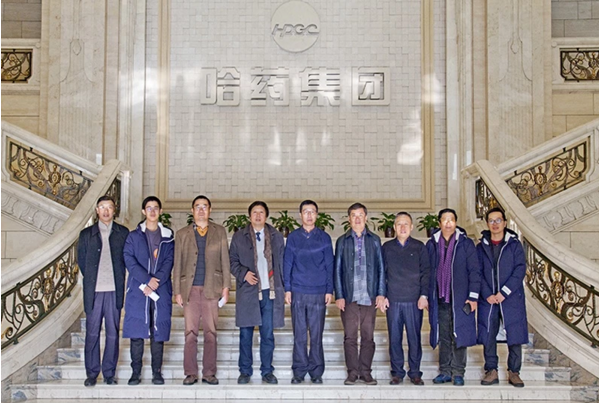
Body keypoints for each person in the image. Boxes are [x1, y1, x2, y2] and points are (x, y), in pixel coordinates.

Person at [173, 195, 231, 386]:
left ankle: (209, 373)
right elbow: (177, 264)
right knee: (190, 333)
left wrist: (226, 287)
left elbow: (225, 261)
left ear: (210, 210)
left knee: (210, 332)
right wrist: (177, 291)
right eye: (197, 207)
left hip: (212, 289)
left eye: (204, 206)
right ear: (192, 211)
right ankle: (190, 373)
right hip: (189, 289)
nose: (201, 210)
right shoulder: (182, 234)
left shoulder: (219, 231)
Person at [230, 201, 285, 385]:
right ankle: (245, 371)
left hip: (270, 292)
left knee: (267, 334)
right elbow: (232, 261)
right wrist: (243, 273)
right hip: (248, 292)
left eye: (261, 212)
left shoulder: (276, 236)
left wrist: (285, 288)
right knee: (246, 334)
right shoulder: (239, 236)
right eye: (255, 212)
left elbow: (282, 262)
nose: (258, 215)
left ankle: (267, 371)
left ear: (266, 215)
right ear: (249, 216)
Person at [77, 196, 129, 387]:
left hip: (114, 290)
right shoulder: (86, 234)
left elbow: (127, 259)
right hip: (94, 291)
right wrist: (93, 279)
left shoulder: (122, 233)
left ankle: (109, 373)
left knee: (113, 333)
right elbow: (82, 261)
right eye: (102, 207)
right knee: (92, 333)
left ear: (114, 210)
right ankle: (91, 373)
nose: (106, 211)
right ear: (97, 210)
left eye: (109, 207)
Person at [122, 196, 174, 386]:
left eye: (155, 208)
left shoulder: (168, 236)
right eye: (149, 208)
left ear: (160, 211)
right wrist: (146, 280)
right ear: (144, 211)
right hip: (139, 290)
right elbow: (129, 259)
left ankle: (156, 372)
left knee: (157, 331)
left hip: (160, 289)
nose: (152, 211)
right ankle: (135, 372)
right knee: (137, 332)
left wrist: (155, 281)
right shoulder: (134, 236)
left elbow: (169, 261)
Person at [427, 208, 480, 386]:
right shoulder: (432, 244)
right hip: (440, 298)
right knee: (443, 335)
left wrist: (473, 296)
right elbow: (427, 271)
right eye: (445, 220)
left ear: (456, 223)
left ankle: (458, 372)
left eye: (451, 220)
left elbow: (475, 271)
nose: (448, 223)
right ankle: (445, 371)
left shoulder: (465, 244)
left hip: (460, 298)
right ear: (439, 223)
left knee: (459, 334)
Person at [334, 202, 386, 386]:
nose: (357, 219)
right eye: (354, 215)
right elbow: (337, 269)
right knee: (349, 337)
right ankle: (352, 372)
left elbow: (381, 268)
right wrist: (339, 295)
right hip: (349, 296)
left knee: (368, 337)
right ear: (349, 219)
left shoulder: (374, 240)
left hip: (369, 296)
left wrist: (381, 293)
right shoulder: (342, 240)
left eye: (360, 215)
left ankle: (365, 372)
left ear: (366, 217)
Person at [283, 200, 334, 384]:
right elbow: (287, 263)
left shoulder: (324, 238)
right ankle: (299, 371)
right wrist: (287, 289)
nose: (309, 215)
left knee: (316, 334)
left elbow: (329, 265)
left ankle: (316, 371)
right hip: (298, 290)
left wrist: (329, 289)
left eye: (312, 212)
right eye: (306, 212)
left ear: (317, 215)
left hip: (318, 292)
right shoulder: (293, 237)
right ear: (300, 215)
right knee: (299, 334)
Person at [477, 207, 527, 388]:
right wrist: (487, 294)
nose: (495, 224)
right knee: (488, 333)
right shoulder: (481, 246)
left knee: (514, 332)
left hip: (510, 297)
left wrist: (504, 292)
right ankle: (491, 370)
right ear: (487, 223)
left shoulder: (514, 245)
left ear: (505, 223)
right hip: (489, 299)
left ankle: (514, 371)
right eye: (491, 220)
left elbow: (520, 269)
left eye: (498, 220)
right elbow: (476, 272)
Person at [380, 212, 430, 386]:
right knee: (394, 338)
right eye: (399, 224)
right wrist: (382, 295)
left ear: (411, 227)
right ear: (394, 227)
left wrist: (424, 295)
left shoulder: (419, 247)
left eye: (406, 224)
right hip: (393, 299)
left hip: (414, 300)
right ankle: (397, 373)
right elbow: (381, 273)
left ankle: (415, 373)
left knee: (414, 338)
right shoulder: (386, 247)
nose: (402, 227)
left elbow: (426, 273)